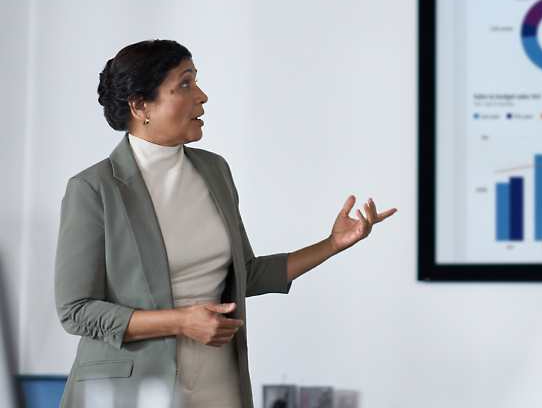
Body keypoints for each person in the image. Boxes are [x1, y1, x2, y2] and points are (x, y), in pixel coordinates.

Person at [54, 40, 396, 408]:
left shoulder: (214, 170)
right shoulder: (93, 188)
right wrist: (181, 322)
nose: (201, 96)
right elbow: (76, 311)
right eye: (184, 84)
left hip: (219, 380)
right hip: (133, 388)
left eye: (196, 82)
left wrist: (332, 243)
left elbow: (244, 274)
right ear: (140, 105)